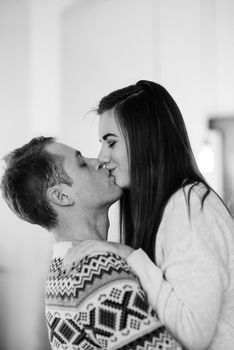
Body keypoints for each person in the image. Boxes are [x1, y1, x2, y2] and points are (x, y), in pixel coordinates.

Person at [63, 81, 234, 350]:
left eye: (111, 142)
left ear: (146, 139)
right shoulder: (166, 206)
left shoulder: (188, 206)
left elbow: (192, 332)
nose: (102, 157)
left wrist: (126, 254)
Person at [0, 136, 182, 350]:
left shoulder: (61, 269)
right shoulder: (98, 272)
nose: (98, 161)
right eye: (82, 164)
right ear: (61, 195)